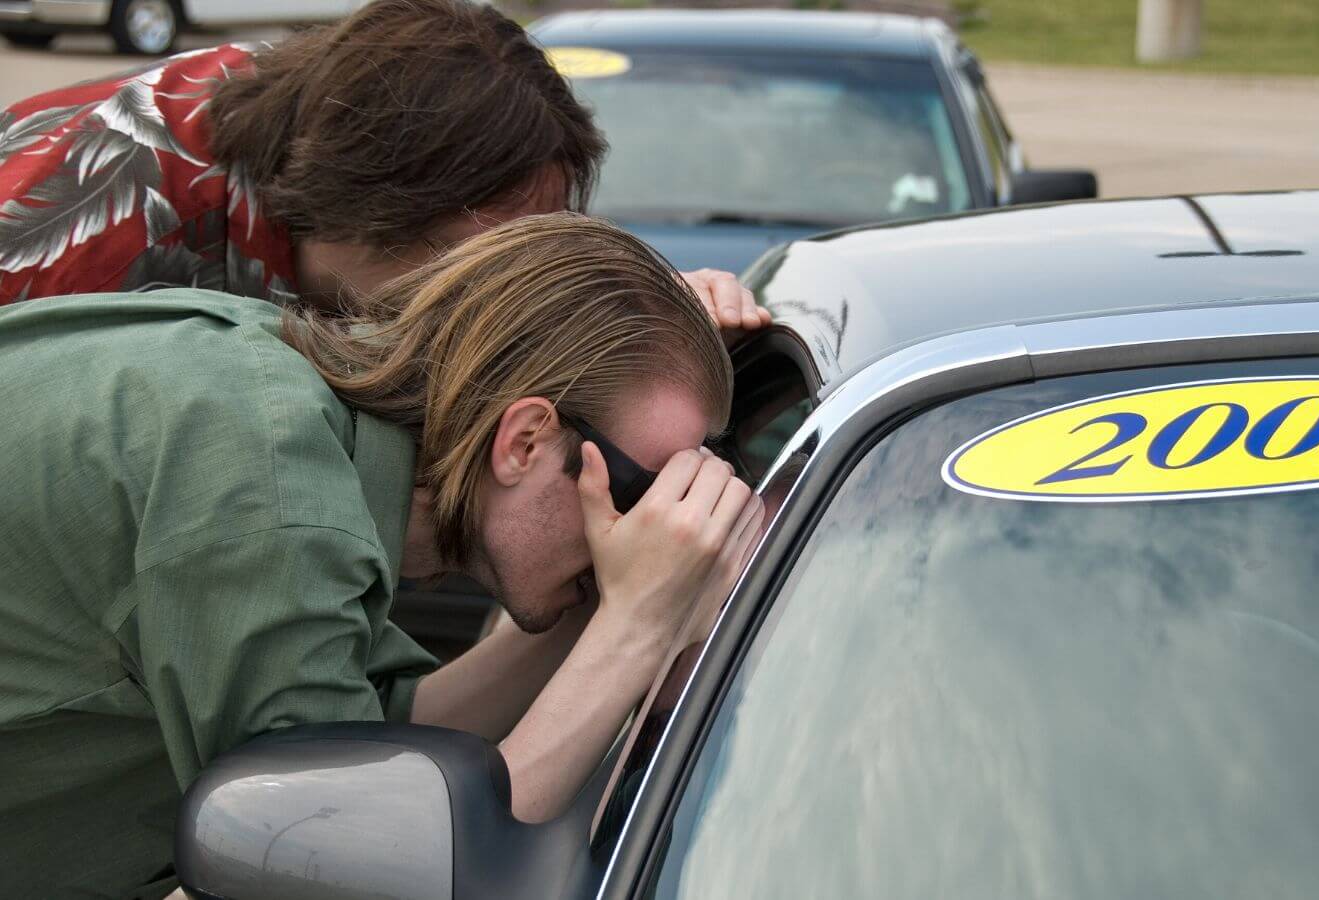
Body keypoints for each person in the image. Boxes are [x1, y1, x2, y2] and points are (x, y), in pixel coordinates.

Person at [0, 214, 764, 899]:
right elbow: (366, 868)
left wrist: (616, 604)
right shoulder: (264, 491)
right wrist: (638, 628)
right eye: (643, 492)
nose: (653, 528)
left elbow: (380, 740)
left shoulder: (278, 404)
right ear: (525, 440)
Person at [0, 0, 768, 337]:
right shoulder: (86, 240)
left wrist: (652, 309)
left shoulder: (317, 111)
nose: (486, 295)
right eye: (469, 264)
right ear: (373, 199)